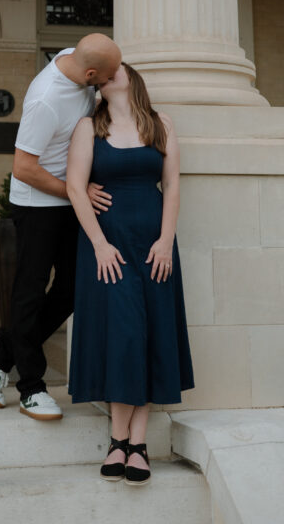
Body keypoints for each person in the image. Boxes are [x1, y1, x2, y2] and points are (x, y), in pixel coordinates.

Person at [0, 33, 122, 421]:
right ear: (89, 72)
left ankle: (3, 352)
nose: (107, 85)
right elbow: (23, 168)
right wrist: (75, 190)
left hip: (68, 201)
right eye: (106, 79)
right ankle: (31, 387)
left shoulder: (72, 60)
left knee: (73, 288)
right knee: (29, 291)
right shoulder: (46, 99)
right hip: (38, 205)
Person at [66, 62, 194, 485]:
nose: (105, 75)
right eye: (99, 75)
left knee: (152, 333)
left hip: (154, 245)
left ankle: (133, 443)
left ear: (131, 77)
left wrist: (165, 240)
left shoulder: (161, 124)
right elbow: (74, 186)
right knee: (123, 334)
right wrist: (100, 244)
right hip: (108, 248)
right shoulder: (88, 128)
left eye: (113, 69)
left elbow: (173, 185)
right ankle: (119, 438)